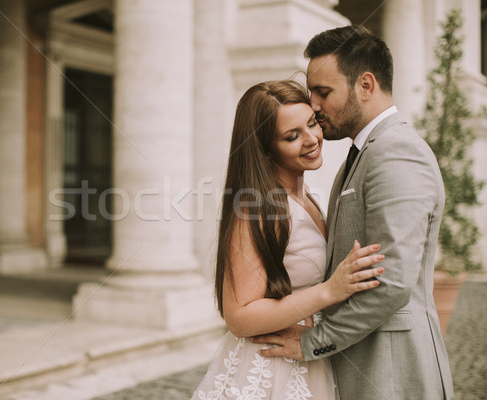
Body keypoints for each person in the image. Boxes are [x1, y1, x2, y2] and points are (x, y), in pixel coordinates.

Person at [252, 26, 455, 399]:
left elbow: (391, 282)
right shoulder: (363, 152)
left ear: (365, 85)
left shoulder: (395, 153)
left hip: (392, 370)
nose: (313, 104)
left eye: (323, 92)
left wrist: (314, 341)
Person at [192, 79, 385, 400]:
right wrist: (330, 291)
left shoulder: (305, 196)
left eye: (312, 123)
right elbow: (238, 317)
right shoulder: (259, 207)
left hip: (304, 355)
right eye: (292, 136)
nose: (312, 139)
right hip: (269, 368)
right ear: (266, 148)